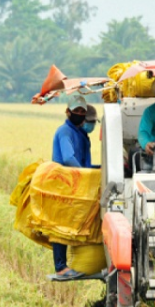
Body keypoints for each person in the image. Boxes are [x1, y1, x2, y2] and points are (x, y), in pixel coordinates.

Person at [48, 95, 98, 281]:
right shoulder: (65, 132)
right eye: (75, 111)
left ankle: (70, 264)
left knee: (72, 222)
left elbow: (84, 163)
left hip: (75, 181)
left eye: (82, 112)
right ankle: (60, 267)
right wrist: (86, 175)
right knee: (60, 224)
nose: (79, 114)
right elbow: (69, 158)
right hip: (64, 182)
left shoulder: (81, 134)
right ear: (68, 112)